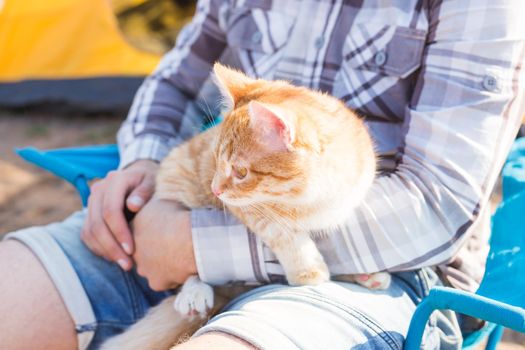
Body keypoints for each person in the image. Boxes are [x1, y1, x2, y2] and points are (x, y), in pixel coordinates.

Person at [1, 1, 525, 349]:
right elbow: (176, 82)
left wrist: (192, 246)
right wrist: (143, 164)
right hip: (192, 210)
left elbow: (437, 207)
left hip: (384, 268)